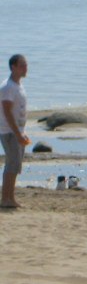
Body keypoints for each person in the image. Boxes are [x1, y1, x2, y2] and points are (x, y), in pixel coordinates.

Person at [1, 54, 30, 210]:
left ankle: (9, 197)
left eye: (26, 65)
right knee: (12, 164)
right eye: (22, 65)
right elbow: (7, 112)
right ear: (13, 67)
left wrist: (22, 132)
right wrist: (17, 134)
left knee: (15, 165)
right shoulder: (8, 87)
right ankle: (6, 199)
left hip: (17, 131)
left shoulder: (18, 85)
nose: (25, 68)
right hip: (9, 132)